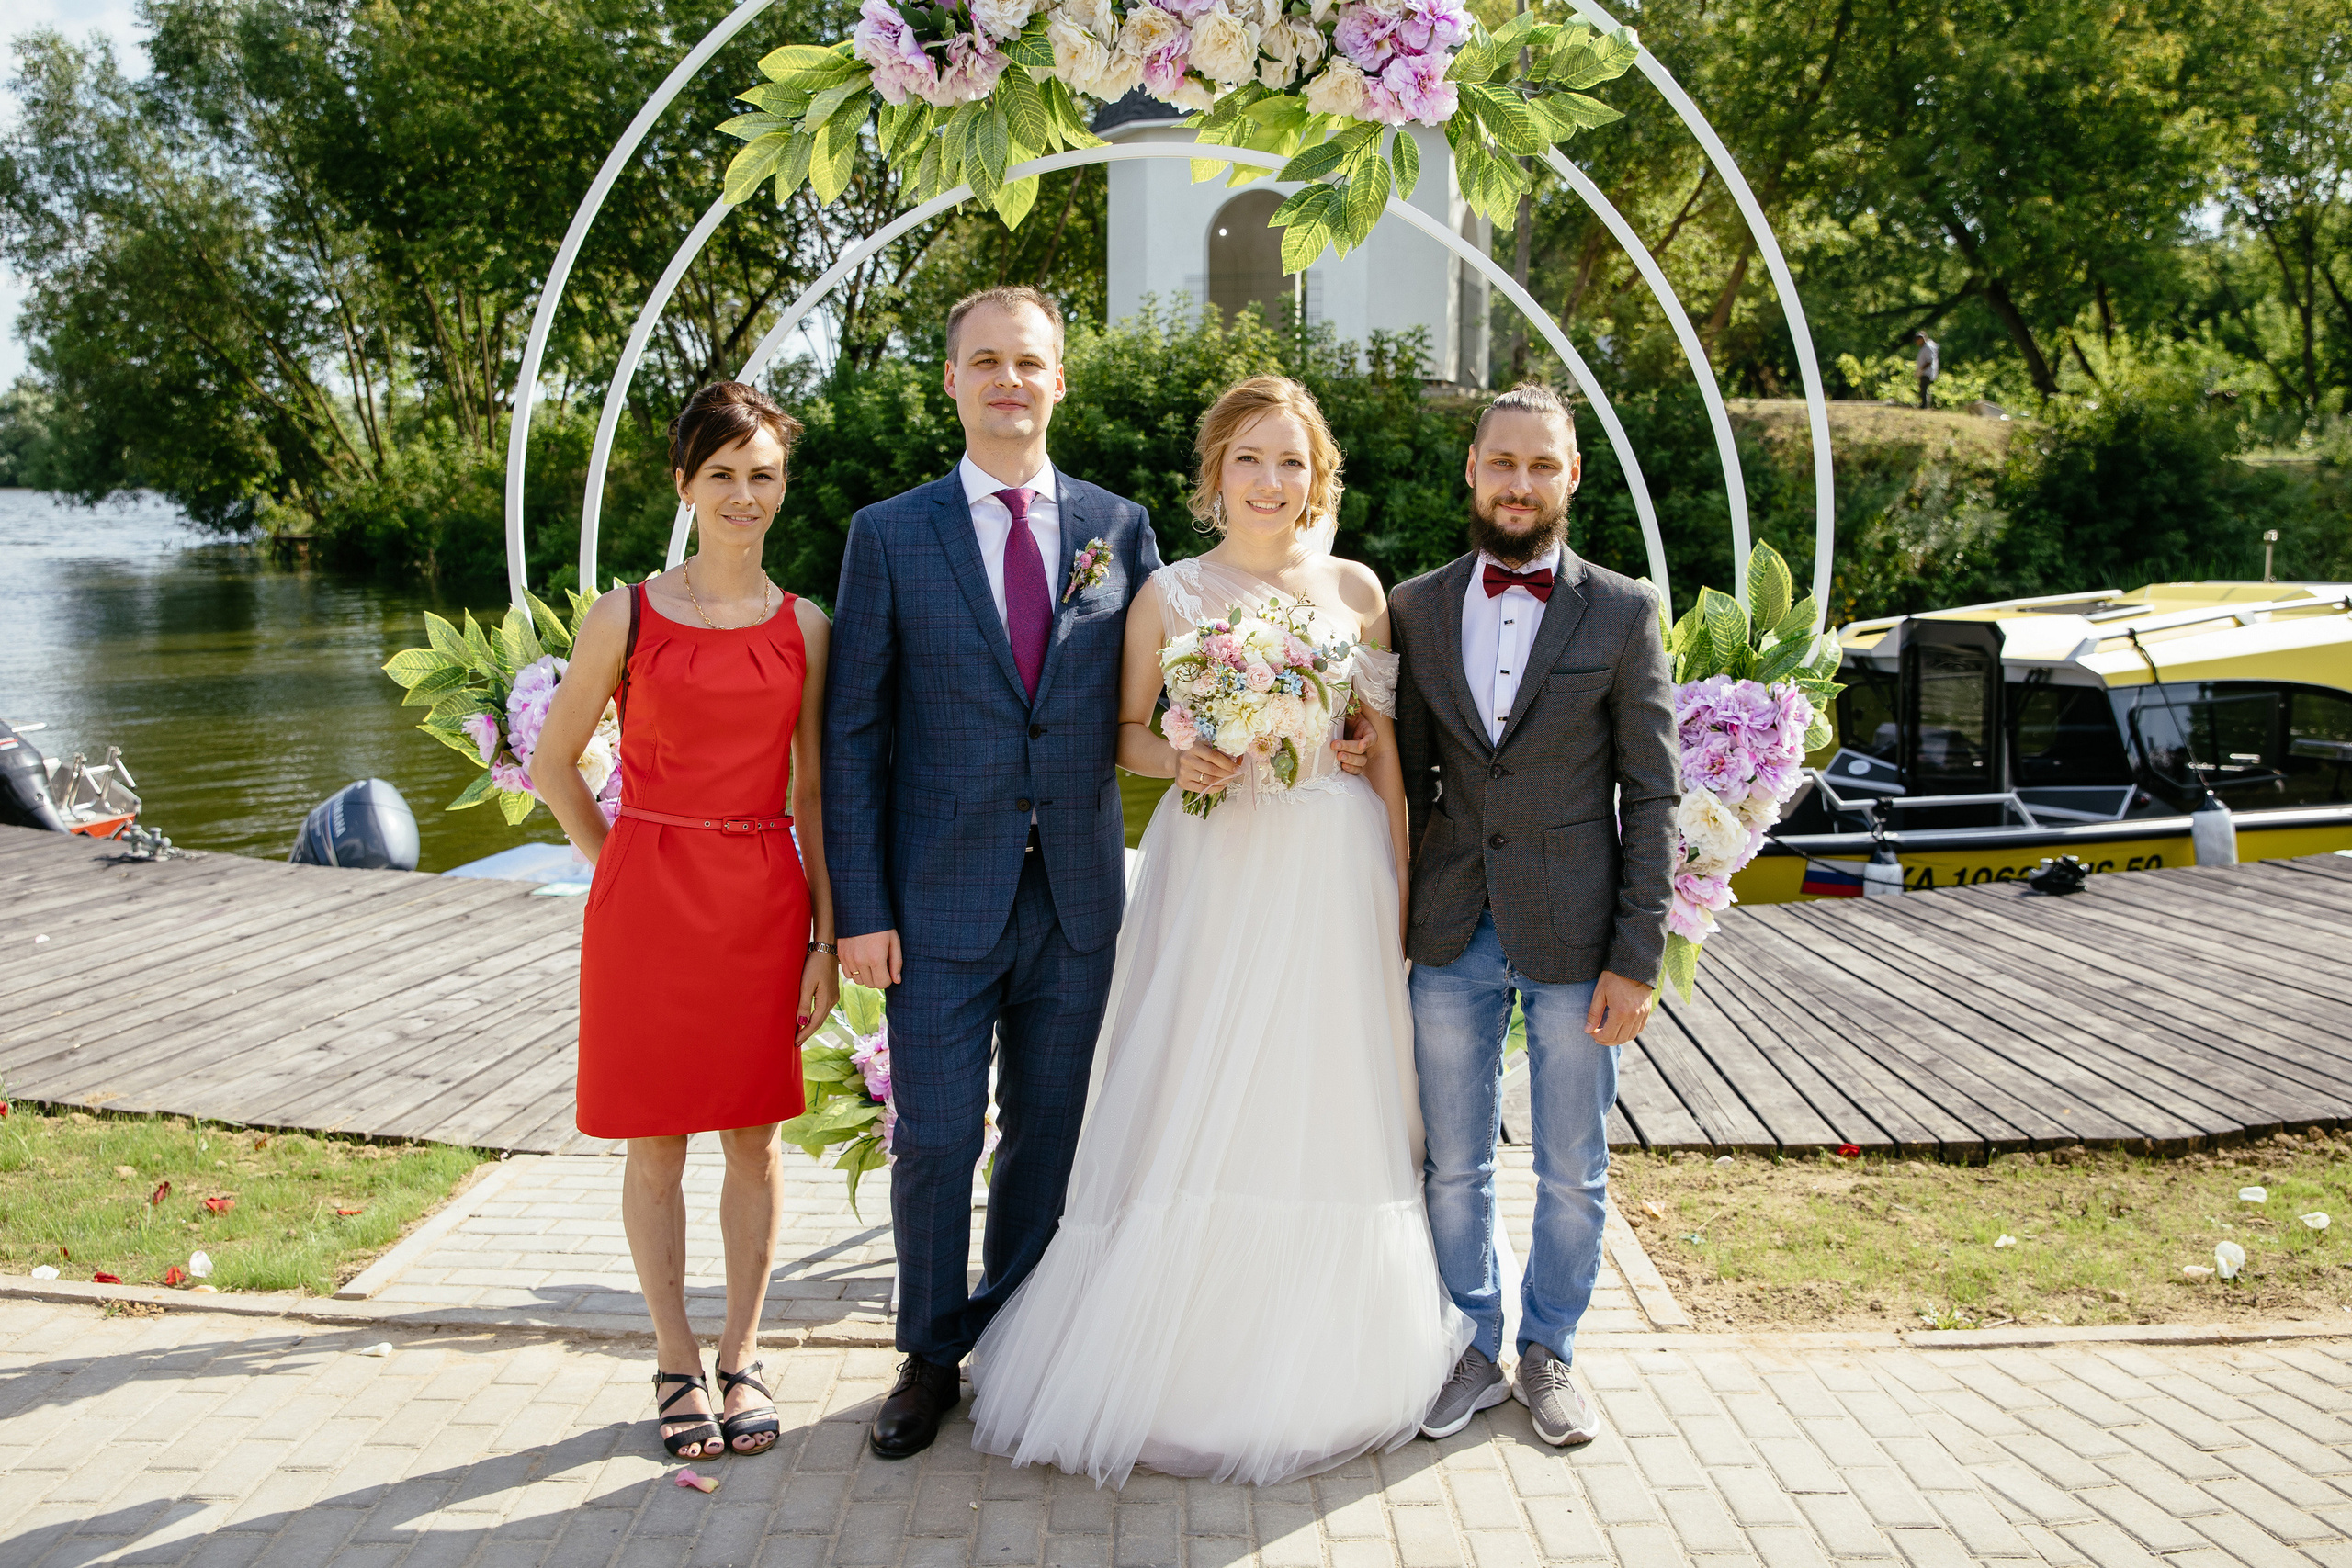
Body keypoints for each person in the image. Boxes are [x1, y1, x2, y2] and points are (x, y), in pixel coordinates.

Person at [967, 375, 1472, 1488]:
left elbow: (1378, 746)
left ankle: (1327, 1358)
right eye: (1249, 458)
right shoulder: (1167, 595)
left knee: (1322, 1092)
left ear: (1316, 476)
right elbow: (1124, 735)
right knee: (1194, 1080)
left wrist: (1394, 889)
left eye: (1290, 460)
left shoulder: (1356, 590)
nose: (1270, 480)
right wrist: (1184, 757)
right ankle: (1172, 1357)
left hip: (1331, 872)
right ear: (1215, 475)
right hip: (1216, 865)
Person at [825, 286, 1165, 1461]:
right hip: (933, 901)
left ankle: (1017, 1337)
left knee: (1047, 1133)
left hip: (1074, 896)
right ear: (953, 381)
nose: (1008, 380)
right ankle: (928, 1355)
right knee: (931, 1138)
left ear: (1059, 379)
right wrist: (856, 912)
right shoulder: (889, 533)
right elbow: (853, 737)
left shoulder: (1119, 532)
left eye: (1029, 361)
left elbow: (1159, 703)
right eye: (985, 361)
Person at [538, 380, 840, 1461]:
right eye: (723, 475)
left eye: (762, 476)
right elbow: (552, 761)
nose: (744, 496)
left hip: (762, 898)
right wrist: (617, 860)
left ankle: (743, 1355)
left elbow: (813, 795)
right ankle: (674, 1360)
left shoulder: (807, 625)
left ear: (782, 486)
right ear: (684, 484)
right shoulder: (627, 613)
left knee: (753, 1144)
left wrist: (822, 940)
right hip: (647, 906)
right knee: (656, 1144)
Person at [1389, 382, 1677, 1448]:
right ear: (1472, 470)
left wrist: (1635, 956)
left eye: (1541, 466)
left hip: (1577, 933)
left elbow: (1651, 793)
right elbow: (1403, 779)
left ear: (1570, 478)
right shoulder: (1414, 607)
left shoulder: (1623, 610)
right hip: (1449, 925)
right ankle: (1469, 1343)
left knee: (1571, 1163)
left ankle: (1549, 1349)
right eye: (1502, 463)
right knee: (1451, 1158)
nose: (1519, 484)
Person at [1916, 331, 1939, 408]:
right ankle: (1923, 404)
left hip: (1927, 372)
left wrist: (1921, 369)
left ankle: (1924, 405)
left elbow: (1929, 360)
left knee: (1924, 389)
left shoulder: (1928, 347)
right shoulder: (1922, 348)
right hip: (1923, 372)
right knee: (1922, 389)